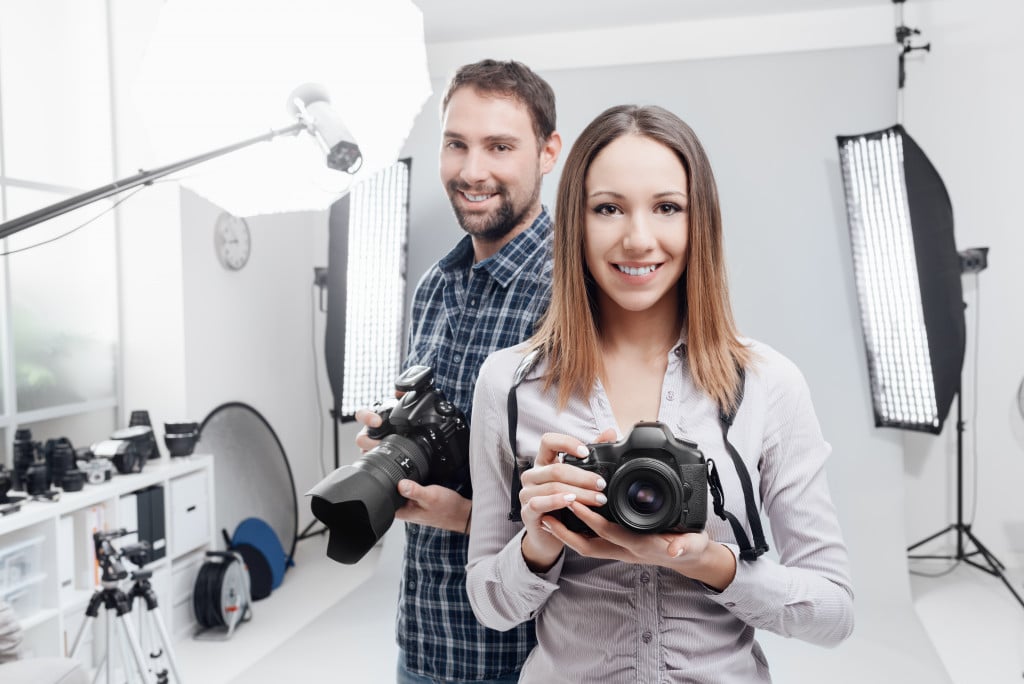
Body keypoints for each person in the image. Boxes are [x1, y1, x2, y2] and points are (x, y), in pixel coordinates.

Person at [465, 104, 854, 683]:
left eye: (667, 207)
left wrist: (715, 565)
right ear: (576, 222)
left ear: (701, 223)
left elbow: (836, 612)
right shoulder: (509, 382)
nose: (638, 238)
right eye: (608, 208)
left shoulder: (769, 383)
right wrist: (537, 545)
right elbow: (488, 604)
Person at [354, 60, 562, 683]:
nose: (473, 171)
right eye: (456, 144)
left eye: (500, 146)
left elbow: (603, 506)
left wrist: (466, 516)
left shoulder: (572, 296)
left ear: (547, 152)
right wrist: (395, 439)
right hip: (422, 638)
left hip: (524, 653)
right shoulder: (433, 287)